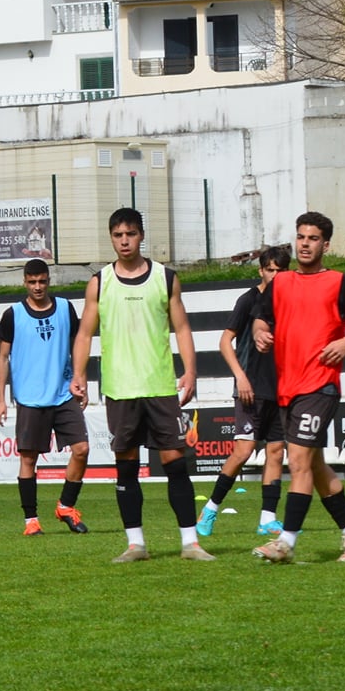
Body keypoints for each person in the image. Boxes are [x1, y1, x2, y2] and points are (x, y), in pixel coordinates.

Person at [68, 208, 209, 563]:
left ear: (141, 235)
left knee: (175, 461)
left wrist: (190, 371)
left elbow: (183, 329)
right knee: (126, 465)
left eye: (130, 234)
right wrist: (79, 374)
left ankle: (190, 543)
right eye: (118, 235)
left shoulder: (166, 278)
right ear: (111, 238)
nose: (124, 240)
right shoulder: (100, 283)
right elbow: (85, 332)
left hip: (160, 386)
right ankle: (136, 544)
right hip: (120, 388)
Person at [250, 211, 345, 563]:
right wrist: (260, 332)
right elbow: (261, 316)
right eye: (301, 237)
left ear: (325, 244)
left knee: (299, 460)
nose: (305, 244)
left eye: (313, 238)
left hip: (320, 384)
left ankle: (285, 542)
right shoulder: (281, 283)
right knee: (315, 466)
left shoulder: (338, 282)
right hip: (287, 385)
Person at [200, 245, 292, 538]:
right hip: (250, 388)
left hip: (279, 390)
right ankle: (210, 509)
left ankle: (267, 519)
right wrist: (240, 377)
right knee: (243, 451)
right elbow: (225, 341)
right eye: (270, 270)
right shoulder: (249, 300)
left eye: (280, 270)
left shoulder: (288, 303)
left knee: (276, 452)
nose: (275, 275)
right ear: (261, 270)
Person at [0, 258, 89, 535]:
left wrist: (80, 378)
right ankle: (31, 520)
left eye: (42, 281)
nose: (38, 286)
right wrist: (1, 399)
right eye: (32, 282)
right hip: (30, 399)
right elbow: (2, 358)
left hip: (62, 394)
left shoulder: (64, 309)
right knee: (28, 460)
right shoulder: (13, 315)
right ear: (24, 282)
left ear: (49, 280)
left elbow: (77, 346)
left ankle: (66, 506)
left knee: (81, 449)